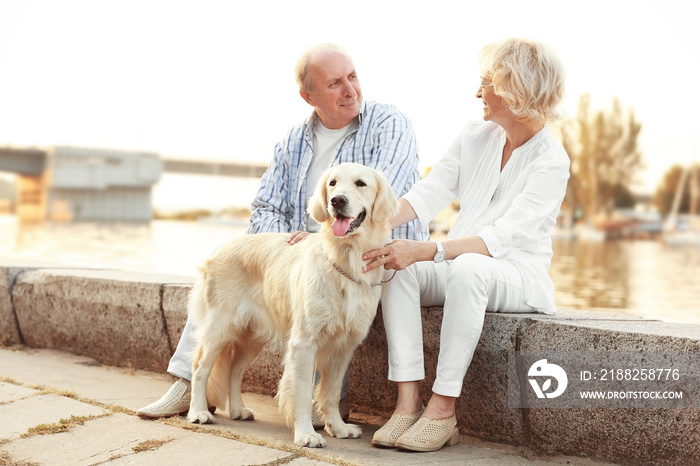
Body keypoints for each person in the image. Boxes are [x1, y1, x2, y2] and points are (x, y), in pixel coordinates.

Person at [137, 43, 428, 424]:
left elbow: (384, 191)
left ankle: (320, 407)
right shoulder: (292, 142)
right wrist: (282, 247)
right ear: (309, 95)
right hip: (299, 262)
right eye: (335, 83)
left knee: (329, 410)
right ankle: (185, 383)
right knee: (232, 263)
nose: (350, 90)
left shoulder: (389, 123)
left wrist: (315, 238)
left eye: (353, 77)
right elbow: (266, 207)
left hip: (370, 259)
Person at [363, 38, 569, 452]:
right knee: (396, 270)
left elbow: (500, 239)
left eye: (487, 82)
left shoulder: (551, 161)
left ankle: (442, 410)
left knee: (470, 266)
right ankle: (407, 404)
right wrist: (366, 221)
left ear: (516, 88)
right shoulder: (476, 134)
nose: (479, 93)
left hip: (516, 274)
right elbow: (430, 191)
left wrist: (428, 250)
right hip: (460, 264)